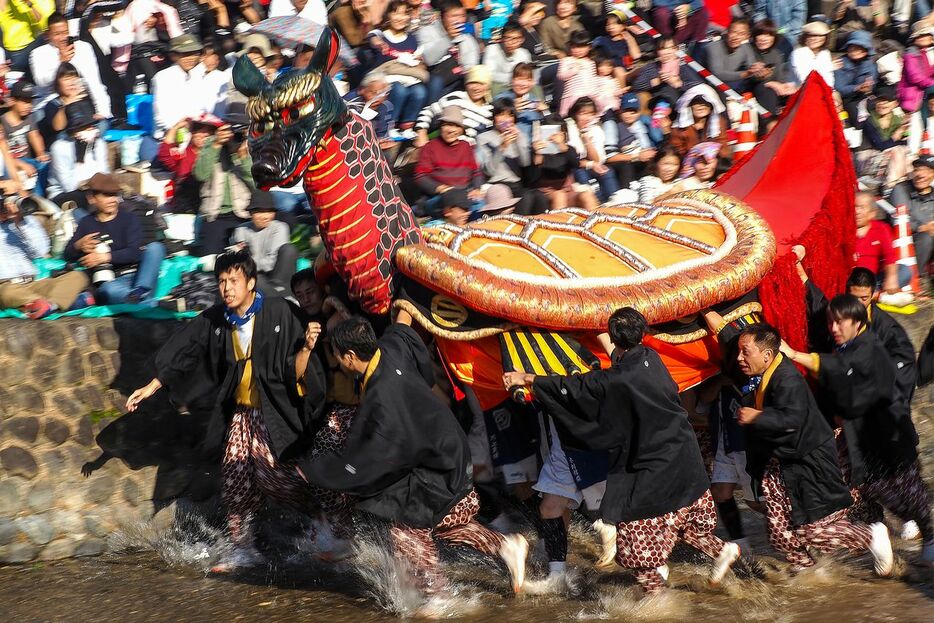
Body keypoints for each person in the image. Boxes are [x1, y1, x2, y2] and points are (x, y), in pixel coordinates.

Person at [504, 307, 740, 594]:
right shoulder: (651, 358)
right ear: (645, 334)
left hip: (655, 466)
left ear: (615, 339)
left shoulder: (616, 380)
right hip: (685, 458)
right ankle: (722, 549)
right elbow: (614, 364)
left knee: (633, 551)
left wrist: (528, 379)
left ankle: (659, 600)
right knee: (684, 525)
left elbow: (576, 386)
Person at [298, 313, 528, 604]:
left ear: (351, 356)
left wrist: (323, 471)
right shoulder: (388, 347)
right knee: (445, 520)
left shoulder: (384, 398)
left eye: (337, 355)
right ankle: (505, 546)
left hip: (437, 460)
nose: (337, 362)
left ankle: (436, 597)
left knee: (406, 525)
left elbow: (374, 458)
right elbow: (403, 330)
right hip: (440, 443)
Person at [126, 250, 321, 572]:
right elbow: (184, 349)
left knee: (274, 476)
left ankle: (322, 520)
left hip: (277, 411)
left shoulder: (279, 312)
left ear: (251, 283)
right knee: (234, 478)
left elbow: (310, 353)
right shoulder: (218, 319)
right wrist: (152, 386)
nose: (227, 288)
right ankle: (242, 547)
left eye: (234, 280)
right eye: (222, 281)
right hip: (243, 414)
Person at [781, 296, 932, 565]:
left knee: (909, 490)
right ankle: (895, 528)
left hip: (890, 433)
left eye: (840, 322)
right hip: (865, 438)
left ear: (857, 321)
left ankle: (931, 537)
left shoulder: (868, 347)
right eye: (830, 322)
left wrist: (793, 355)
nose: (834, 328)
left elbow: (839, 367)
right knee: (875, 489)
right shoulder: (847, 347)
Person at [735, 322, 895, 574]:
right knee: (779, 532)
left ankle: (870, 535)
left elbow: (793, 419)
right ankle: (806, 572)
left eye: (745, 352)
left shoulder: (788, 379)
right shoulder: (762, 375)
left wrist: (756, 417)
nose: (739, 358)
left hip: (808, 460)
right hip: (778, 464)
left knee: (813, 530)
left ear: (767, 355)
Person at [63, 173, 165, 305]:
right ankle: (149, 303)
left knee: (155, 248)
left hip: (139, 276)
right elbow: (67, 255)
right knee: (108, 289)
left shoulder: (129, 219)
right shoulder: (86, 223)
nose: (112, 200)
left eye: (114, 195)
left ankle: (140, 292)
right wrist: (78, 245)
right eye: (106, 195)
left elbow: (135, 252)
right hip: (114, 282)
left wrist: (105, 257)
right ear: (92, 198)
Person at [0, 194, 90, 318]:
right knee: (6, 293)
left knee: (78, 276)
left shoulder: (27, 220)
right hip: (5, 286)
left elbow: (41, 250)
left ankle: (47, 305)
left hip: (32, 283)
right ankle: (65, 301)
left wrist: (19, 222)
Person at [191, 106, 254, 256]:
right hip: (215, 214)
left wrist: (243, 157)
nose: (235, 135)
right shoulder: (211, 143)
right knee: (210, 259)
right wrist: (216, 145)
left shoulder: (252, 145)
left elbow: (257, 185)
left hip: (244, 214)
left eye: (241, 130)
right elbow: (200, 174)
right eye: (232, 130)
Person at [30, 12, 111, 118]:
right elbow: (41, 81)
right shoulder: (38, 53)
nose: (63, 37)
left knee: (100, 125)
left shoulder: (83, 48)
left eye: (65, 32)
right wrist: (60, 62)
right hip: (50, 104)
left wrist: (103, 112)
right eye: (57, 34)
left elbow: (94, 83)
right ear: (47, 35)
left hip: (79, 101)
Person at [365, 0, 428, 138]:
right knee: (399, 90)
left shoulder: (412, 40)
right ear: (388, 15)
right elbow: (371, 37)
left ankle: (407, 126)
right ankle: (390, 125)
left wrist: (418, 61)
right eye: (396, 13)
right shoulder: (380, 36)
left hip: (407, 77)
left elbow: (419, 60)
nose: (400, 18)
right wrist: (378, 43)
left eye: (405, 14)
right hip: (386, 78)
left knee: (420, 92)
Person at [475, 98, 548, 215]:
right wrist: (502, 147)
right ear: (494, 117)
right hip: (496, 185)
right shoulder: (483, 138)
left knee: (539, 196)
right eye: (501, 115)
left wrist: (519, 141)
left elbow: (525, 163)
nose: (505, 120)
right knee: (526, 197)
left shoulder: (520, 136)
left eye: (509, 115)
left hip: (517, 184)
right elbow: (489, 170)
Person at [414, 106, 483, 216]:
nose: (452, 130)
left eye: (456, 126)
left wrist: (476, 189)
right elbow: (421, 176)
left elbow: (476, 172)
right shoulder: (430, 147)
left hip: (463, 194)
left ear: (461, 130)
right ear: (441, 127)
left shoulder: (466, 147)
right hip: (439, 197)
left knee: (481, 204)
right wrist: (440, 188)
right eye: (448, 125)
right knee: (451, 205)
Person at [230, 192, 298, 297]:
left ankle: (280, 290)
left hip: (278, 275)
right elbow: (238, 260)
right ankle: (278, 296)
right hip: (255, 276)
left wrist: (250, 262)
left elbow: (271, 262)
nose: (265, 216)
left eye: (270, 212)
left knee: (289, 250)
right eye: (260, 212)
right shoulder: (241, 230)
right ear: (251, 213)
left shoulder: (280, 227)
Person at [156, 114, 223, 214]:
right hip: (185, 207)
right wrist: (176, 127)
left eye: (209, 132)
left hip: (210, 206)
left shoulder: (219, 155)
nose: (204, 135)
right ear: (192, 133)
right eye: (199, 130)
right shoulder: (183, 153)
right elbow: (165, 154)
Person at [414, 64, 493, 145]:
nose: (476, 88)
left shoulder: (490, 111)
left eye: (481, 84)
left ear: (487, 86)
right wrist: (421, 134)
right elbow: (428, 111)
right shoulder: (456, 97)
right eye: (472, 83)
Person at [46, 100, 109, 202]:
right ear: (73, 132)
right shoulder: (59, 148)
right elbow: (69, 187)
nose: (90, 130)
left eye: (91, 126)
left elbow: (104, 173)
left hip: (95, 190)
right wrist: (80, 157)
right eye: (84, 127)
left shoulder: (99, 144)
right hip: (63, 195)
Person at [417, 0, 480, 101]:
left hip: (457, 79)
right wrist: (448, 38)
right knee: (436, 82)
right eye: (454, 16)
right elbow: (429, 59)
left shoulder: (466, 36)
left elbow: (471, 64)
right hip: (433, 77)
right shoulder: (427, 31)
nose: (459, 20)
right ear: (441, 17)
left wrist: (467, 72)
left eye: (462, 16)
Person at [151, 33, 206, 135]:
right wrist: (177, 129)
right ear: (173, 56)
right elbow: (161, 115)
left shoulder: (197, 75)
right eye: (185, 54)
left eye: (194, 53)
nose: (191, 58)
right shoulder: (163, 77)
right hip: (168, 135)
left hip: (193, 133)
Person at [889, 154, 934, 278]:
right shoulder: (901, 190)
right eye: (917, 170)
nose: (920, 175)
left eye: (927, 171)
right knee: (926, 237)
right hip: (906, 239)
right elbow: (898, 219)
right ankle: (917, 278)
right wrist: (921, 227)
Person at [855, 87, 909, 190]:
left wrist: (901, 132)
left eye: (887, 100)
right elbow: (879, 145)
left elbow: (904, 142)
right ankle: (891, 186)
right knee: (897, 152)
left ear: (895, 103)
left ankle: (899, 186)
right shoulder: (868, 121)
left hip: (889, 159)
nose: (882, 104)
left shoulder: (899, 120)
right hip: (868, 158)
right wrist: (895, 136)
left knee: (904, 153)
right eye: (879, 100)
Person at [1, 81, 49, 196]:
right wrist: (20, 164)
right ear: (13, 101)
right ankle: (29, 200)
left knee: (45, 165)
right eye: (25, 102)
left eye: (31, 102)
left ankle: (42, 197)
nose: (29, 106)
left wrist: (41, 153)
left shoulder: (29, 118)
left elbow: (35, 136)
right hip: (11, 162)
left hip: (28, 159)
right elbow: (4, 156)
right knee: (11, 170)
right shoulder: (2, 122)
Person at [567, 96, 619, 203]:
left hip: (591, 165)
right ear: (575, 114)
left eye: (590, 114)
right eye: (583, 113)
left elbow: (597, 161)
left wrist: (587, 141)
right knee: (581, 174)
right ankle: (596, 204)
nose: (587, 118)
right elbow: (572, 160)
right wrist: (591, 164)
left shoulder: (596, 130)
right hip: (574, 168)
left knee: (607, 171)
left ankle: (615, 202)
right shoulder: (569, 128)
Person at [603, 92, 657, 191]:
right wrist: (636, 156)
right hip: (622, 165)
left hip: (639, 163)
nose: (629, 115)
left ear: (639, 113)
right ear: (620, 111)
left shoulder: (639, 124)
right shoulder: (612, 124)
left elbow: (646, 148)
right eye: (625, 111)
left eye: (633, 112)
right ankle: (626, 194)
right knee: (626, 166)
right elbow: (609, 157)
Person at [749, 19, 797, 118]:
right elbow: (749, 77)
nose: (764, 39)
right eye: (760, 34)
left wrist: (787, 86)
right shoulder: (748, 50)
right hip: (753, 88)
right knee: (767, 91)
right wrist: (770, 83)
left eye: (768, 35)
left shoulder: (776, 54)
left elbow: (779, 78)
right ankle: (769, 124)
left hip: (773, 89)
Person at [835, 29, 877, 124]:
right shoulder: (841, 63)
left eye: (858, 47)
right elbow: (839, 89)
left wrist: (869, 87)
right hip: (846, 100)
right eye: (852, 47)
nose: (854, 50)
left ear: (866, 51)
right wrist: (857, 88)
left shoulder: (870, 64)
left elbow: (873, 83)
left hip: (865, 98)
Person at [0, 0, 55, 71]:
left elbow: (39, 19)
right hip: (16, 51)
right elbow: (2, 7)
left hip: (33, 45)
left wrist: (29, 4)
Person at [556, 30, 600, 117]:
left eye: (581, 47)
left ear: (589, 47)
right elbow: (561, 76)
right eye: (574, 47)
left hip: (588, 96)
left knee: (588, 117)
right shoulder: (567, 60)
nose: (578, 50)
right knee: (570, 119)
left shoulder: (590, 62)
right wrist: (573, 71)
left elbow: (593, 79)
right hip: (572, 96)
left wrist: (595, 94)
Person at [482, 19, 532, 93]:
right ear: (502, 38)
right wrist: (514, 78)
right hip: (497, 88)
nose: (511, 42)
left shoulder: (524, 54)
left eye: (516, 39)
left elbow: (527, 76)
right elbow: (489, 74)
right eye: (508, 38)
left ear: (522, 39)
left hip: (519, 88)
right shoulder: (492, 49)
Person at [897, 23, 934, 114]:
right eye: (920, 36)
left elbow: (929, 72)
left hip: (924, 94)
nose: (923, 37)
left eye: (926, 35)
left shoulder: (927, 53)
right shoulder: (911, 54)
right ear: (914, 40)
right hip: (913, 99)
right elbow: (915, 77)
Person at [790, 20, 834, 88]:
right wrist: (827, 67)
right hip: (801, 91)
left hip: (824, 90)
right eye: (811, 36)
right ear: (805, 37)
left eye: (819, 36)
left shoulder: (825, 53)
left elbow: (829, 78)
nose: (815, 39)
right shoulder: (798, 53)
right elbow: (805, 79)